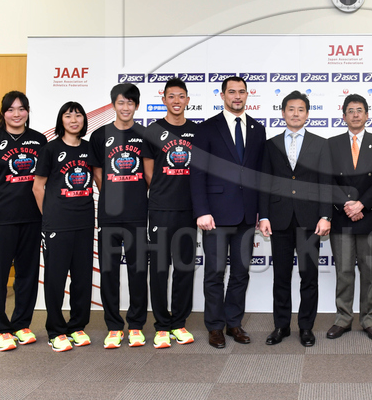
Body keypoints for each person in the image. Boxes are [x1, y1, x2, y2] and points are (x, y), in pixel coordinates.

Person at [190, 75, 266, 349]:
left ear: (247, 95)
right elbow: (197, 172)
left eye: (241, 92)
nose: (237, 96)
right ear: (222, 95)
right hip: (215, 215)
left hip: (247, 215)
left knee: (240, 274)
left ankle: (234, 323)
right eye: (232, 92)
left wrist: (262, 213)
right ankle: (215, 327)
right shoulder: (206, 128)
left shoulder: (257, 129)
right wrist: (201, 210)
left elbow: (260, 176)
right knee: (214, 273)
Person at [0, 91, 47, 352]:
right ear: (3, 113)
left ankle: (21, 325)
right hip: (1, 219)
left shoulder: (39, 140)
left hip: (32, 217)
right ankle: (0, 329)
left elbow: (43, 180)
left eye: (22, 108)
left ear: (28, 111)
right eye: (11, 109)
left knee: (28, 273)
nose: (17, 114)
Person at [258, 90, 332, 347]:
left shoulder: (321, 144)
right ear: (283, 113)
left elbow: (326, 183)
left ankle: (306, 327)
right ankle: (281, 326)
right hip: (279, 219)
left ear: (307, 114)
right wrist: (264, 216)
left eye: (301, 109)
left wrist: (325, 216)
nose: (296, 114)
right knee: (280, 276)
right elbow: (264, 183)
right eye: (291, 109)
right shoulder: (270, 145)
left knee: (308, 277)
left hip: (310, 221)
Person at [326, 94, 372, 341]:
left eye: (359, 110)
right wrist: (347, 205)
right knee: (344, 272)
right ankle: (343, 319)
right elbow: (328, 180)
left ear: (367, 115)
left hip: (369, 216)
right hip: (341, 217)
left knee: (370, 272)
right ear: (344, 116)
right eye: (350, 111)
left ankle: (369, 320)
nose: (355, 114)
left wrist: (362, 204)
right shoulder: (331, 144)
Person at [90, 83, 149, 349]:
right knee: (109, 272)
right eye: (121, 102)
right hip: (109, 216)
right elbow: (98, 174)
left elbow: (149, 174)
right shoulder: (100, 135)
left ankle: (136, 325)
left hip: (137, 214)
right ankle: (114, 326)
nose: (126, 107)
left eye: (130, 103)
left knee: (138, 271)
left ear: (137, 106)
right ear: (113, 105)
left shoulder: (145, 135)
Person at [33, 102, 95, 352]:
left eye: (78, 115)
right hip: (57, 224)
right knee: (55, 279)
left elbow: (97, 178)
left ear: (84, 121)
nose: (74, 120)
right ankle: (56, 330)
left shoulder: (89, 148)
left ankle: (77, 327)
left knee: (82, 278)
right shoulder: (50, 149)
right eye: (68, 116)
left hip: (84, 222)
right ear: (61, 120)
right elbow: (38, 187)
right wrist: (49, 216)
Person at [142, 78, 198, 348]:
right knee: (160, 269)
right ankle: (162, 325)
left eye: (181, 96)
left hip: (189, 210)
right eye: (171, 96)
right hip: (161, 210)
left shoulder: (197, 131)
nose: (176, 101)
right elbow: (148, 172)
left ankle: (179, 323)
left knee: (184, 268)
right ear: (164, 100)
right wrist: (163, 193)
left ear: (188, 100)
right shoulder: (153, 131)